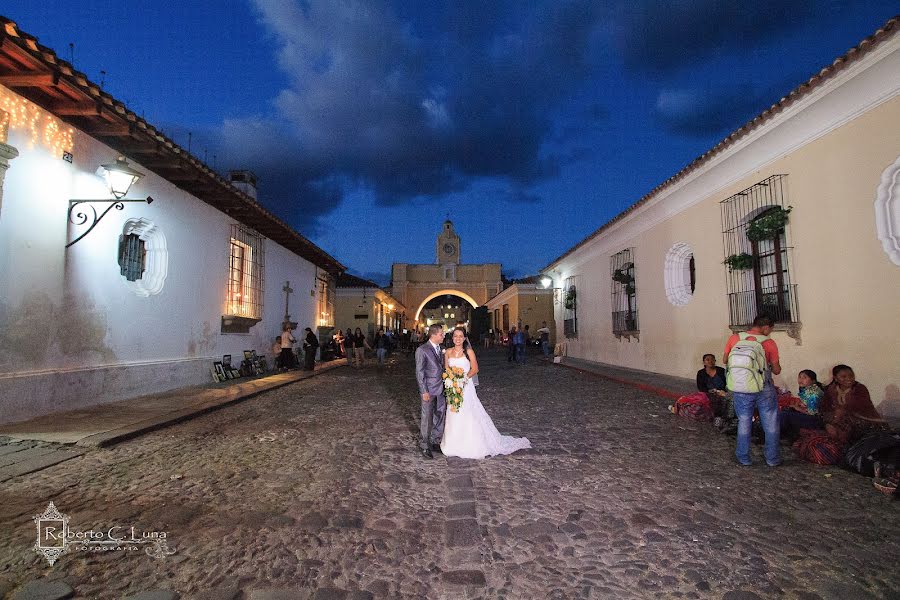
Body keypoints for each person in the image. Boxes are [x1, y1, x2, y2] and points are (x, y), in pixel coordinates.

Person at [440, 327, 531, 459]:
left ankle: (470, 444)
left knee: (467, 412)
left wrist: (462, 379)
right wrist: (451, 381)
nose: (458, 338)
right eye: (455, 336)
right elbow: (446, 369)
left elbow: (475, 369)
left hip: (465, 387)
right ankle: (452, 444)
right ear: (452, 337)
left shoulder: (468, 351)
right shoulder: (447, 352)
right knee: (453, 412)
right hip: (453, 388)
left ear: (464, 338)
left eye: (460, 336)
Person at [723, 314, 782, 467]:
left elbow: (725, 360)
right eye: (770, 329)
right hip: (763, 387)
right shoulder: (769, 342)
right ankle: (772, 458)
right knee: (770, 422)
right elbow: (776, 370)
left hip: (741, 386)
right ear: (766, 327)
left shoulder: (735, 338)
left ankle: (743, 457)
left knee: (744, 420)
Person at [820, 364, 888, 443]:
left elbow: (860, 408)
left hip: (863, 421)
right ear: (835, 378)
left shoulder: (860, 389)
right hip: (837, 422)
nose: (849, 379)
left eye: (851, 375)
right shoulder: (829, 390)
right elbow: (825, 408)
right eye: (843, 376)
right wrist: (828, 424)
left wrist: (840, 412)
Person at [415, 324, 447, 459]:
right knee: (427, 417)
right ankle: (425, 445)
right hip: (429, 390)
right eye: (441, 334)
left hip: (441, 388)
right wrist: (424, 391)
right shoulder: (422, 350)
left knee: (440, 415)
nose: (444, 336)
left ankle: (435, 441)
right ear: (433, 335)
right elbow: (419, 372)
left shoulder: (440, 349)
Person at [779, 369, 825, 440]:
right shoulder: (806, 389)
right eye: (800, 377)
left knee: (785, 415)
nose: (801, 380)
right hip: (807, 414)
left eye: (804, 377)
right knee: (786, 409)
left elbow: (812, 412)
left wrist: (797, 408)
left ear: (813, 381)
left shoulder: (814, 393)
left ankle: (776, 436)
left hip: (815, 420)